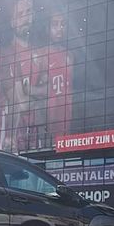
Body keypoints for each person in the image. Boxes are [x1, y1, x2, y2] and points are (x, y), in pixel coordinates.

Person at [0, 0, 47, 152]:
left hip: (35, 137)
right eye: (20, 15)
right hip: (13, 141)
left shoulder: (39, 52)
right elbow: (22, 103)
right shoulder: (7, 54)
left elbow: (51, 90)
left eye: (28, 12)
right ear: (12, 22)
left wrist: (30, 90)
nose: (25, 18)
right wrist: (41, 95)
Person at [43, 11, 72, 146]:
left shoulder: (70, 56)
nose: (59, 28)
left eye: (63, 24)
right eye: (55, 24)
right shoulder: (42, 55)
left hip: (67, 117)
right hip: (49, 116)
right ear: (48, 28)